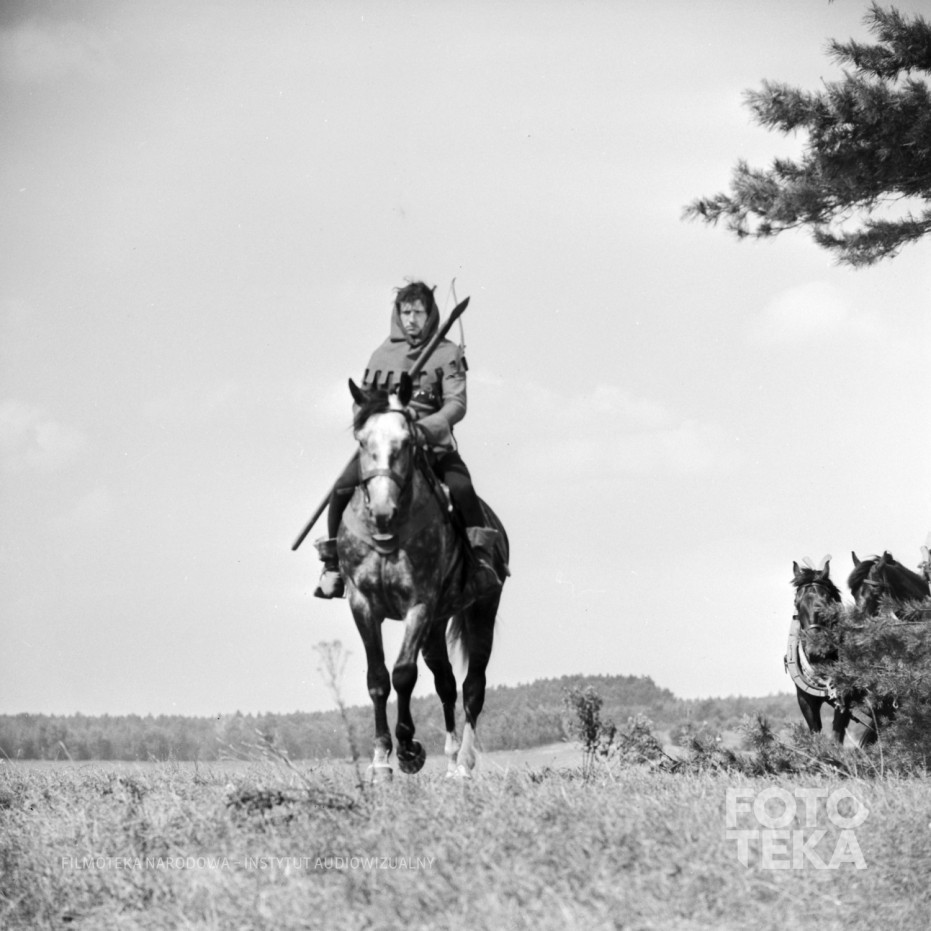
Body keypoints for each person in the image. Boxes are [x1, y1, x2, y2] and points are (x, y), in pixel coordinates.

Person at [314, 280, 503, 601]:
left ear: (430, 315)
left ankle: (481, 563)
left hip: (432, 446)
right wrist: (371, 424)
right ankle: (333, 566)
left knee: (461, 488)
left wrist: (421, 429)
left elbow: (456, 404)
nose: (412, 319)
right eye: (406, 312)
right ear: (397, 314)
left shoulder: (447, 353)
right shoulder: (381, 356)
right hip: (386, 448)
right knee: (342, 486)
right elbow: (363, 401)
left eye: (418, 312)